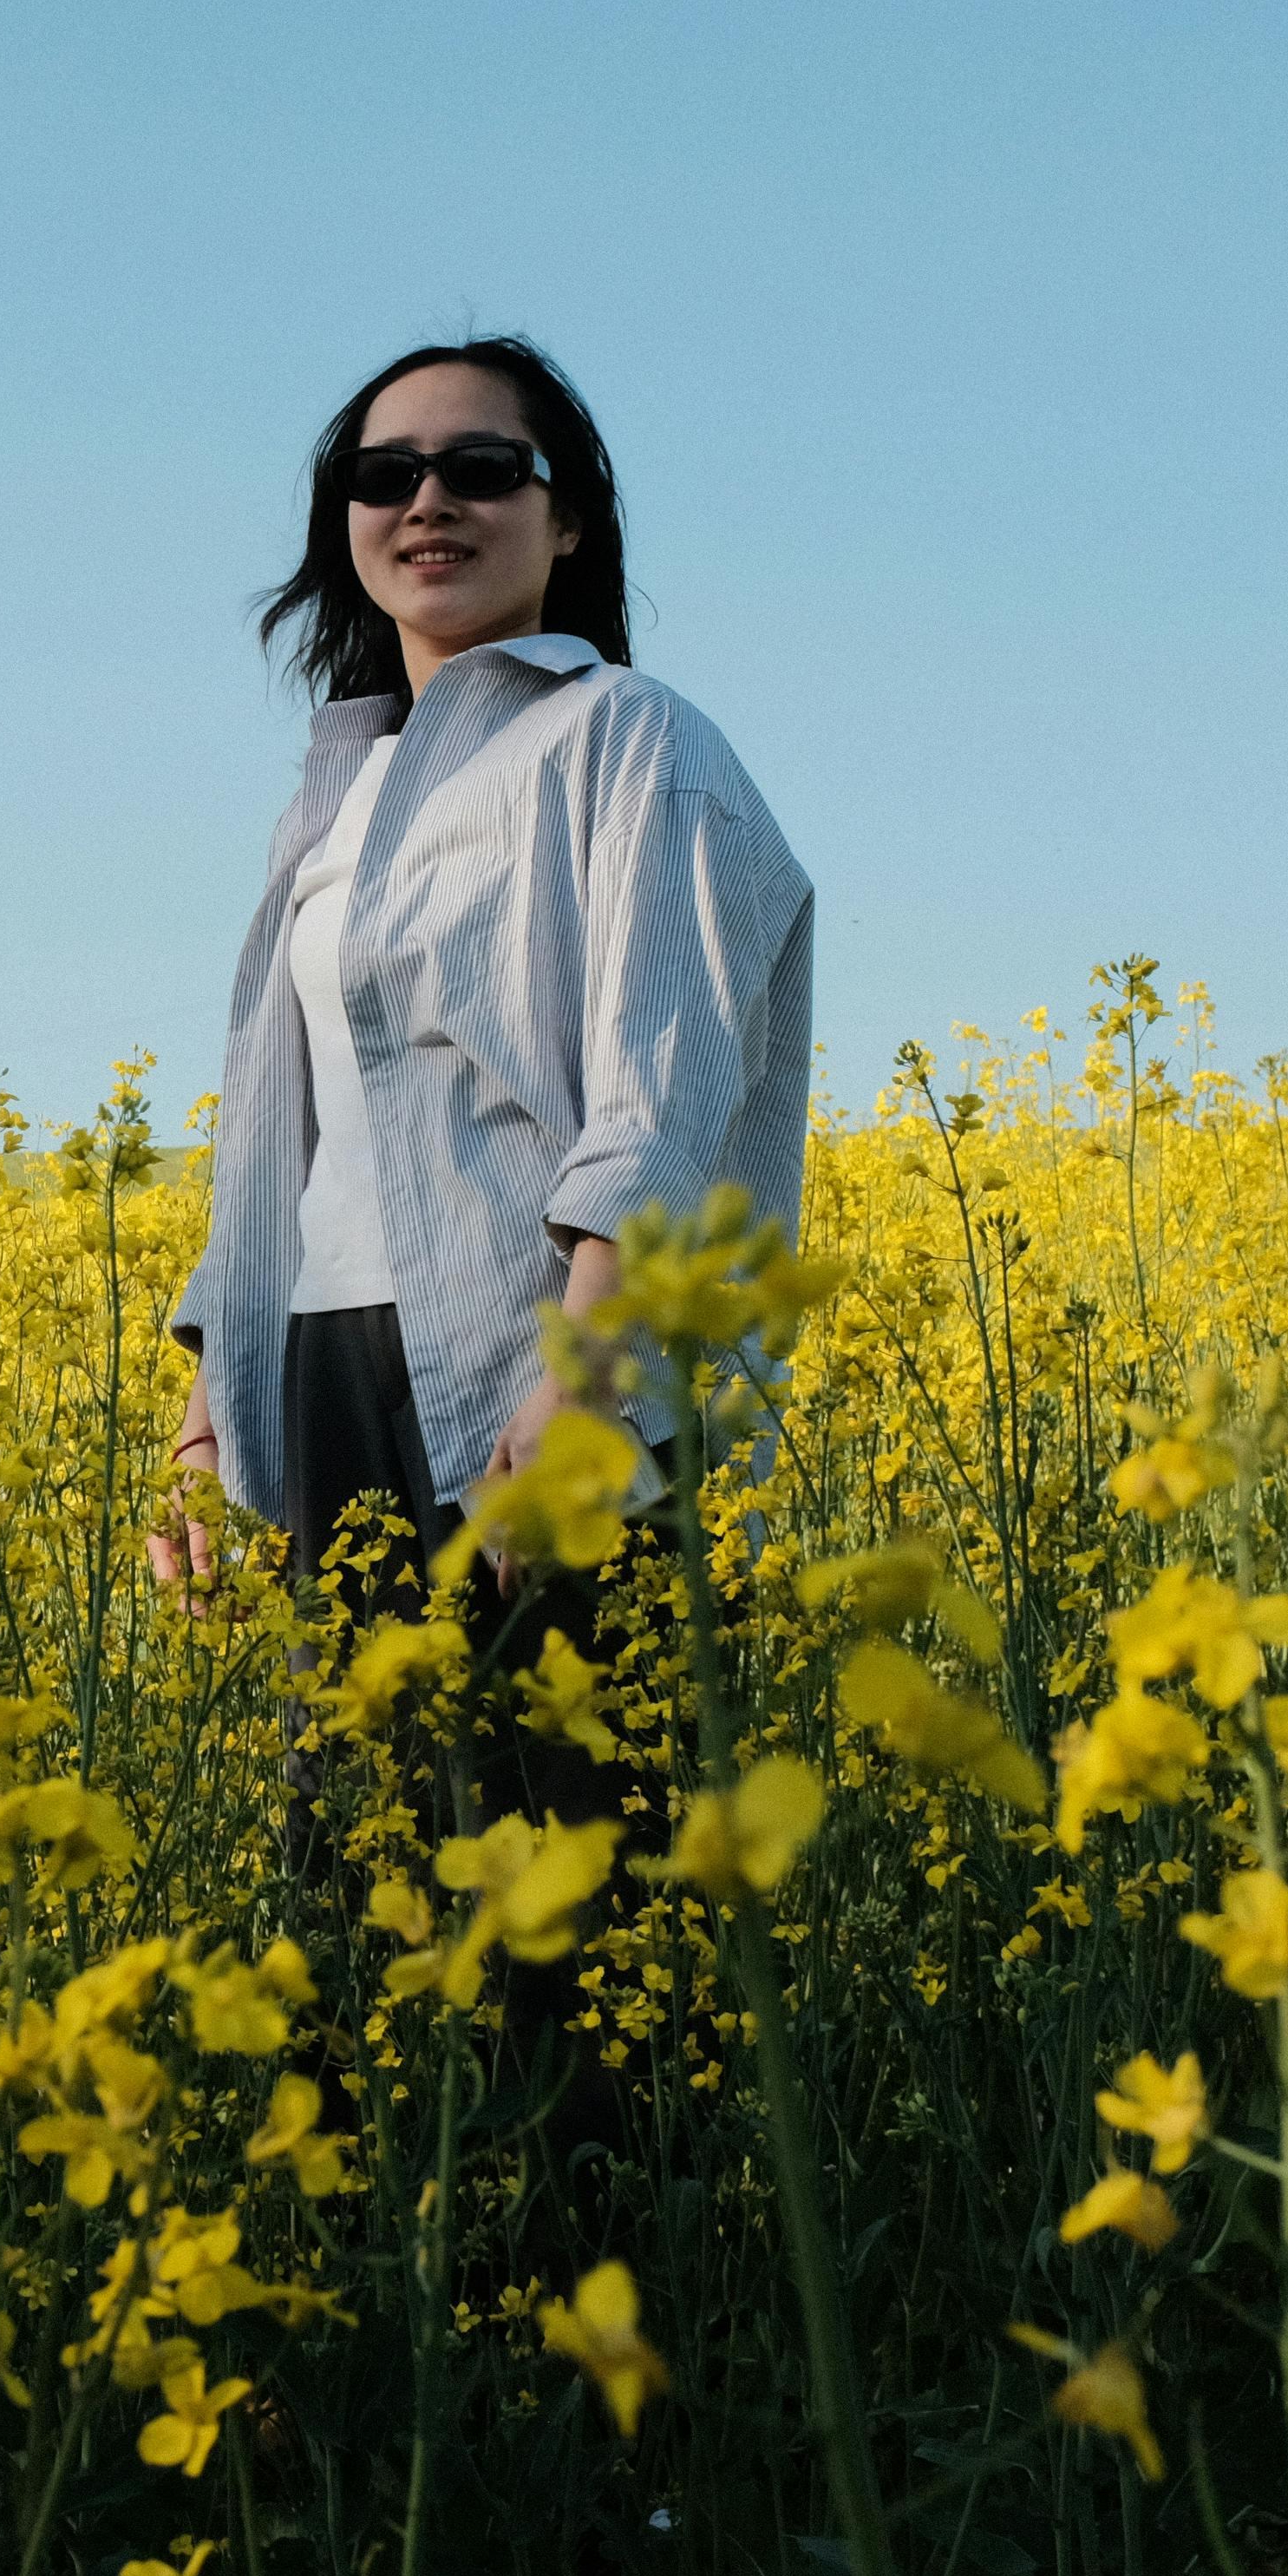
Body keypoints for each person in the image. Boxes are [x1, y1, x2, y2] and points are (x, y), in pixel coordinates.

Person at [148, 338, 816, 1845]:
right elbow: (278, 1149)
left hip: (539, 1355)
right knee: (365, 1874)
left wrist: (581, 1382)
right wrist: (206, 1427)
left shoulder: (630, 739)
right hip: (323, 1368)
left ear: (567, 517)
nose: (428, 500)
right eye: (385, 477)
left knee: (577, 1874)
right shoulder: (337, 793)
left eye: (480, 467)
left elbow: (663, 1087)